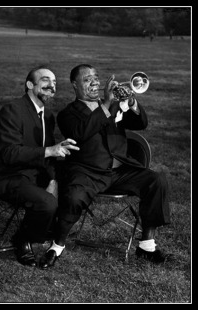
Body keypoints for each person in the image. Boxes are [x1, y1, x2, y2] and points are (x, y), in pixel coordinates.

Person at [39, 64, 172, 269]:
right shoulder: (68, 113)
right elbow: (81, 132)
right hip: (87, 171)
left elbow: (141, 123)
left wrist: (132, 102)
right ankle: (57, 246)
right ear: (75, 85)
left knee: (157, 180)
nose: (94, 82)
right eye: (87, 79)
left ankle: (147, 246)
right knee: (73, 198)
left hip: (119, 171)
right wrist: (107, 104)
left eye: (96, 77)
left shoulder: (115, 105)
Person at [0, 66, 79, 267]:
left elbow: (48, 156)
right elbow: (9, 153)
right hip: (6, 176)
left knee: (74, 185)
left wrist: (53, 181)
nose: (52, 86)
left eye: (54, 82)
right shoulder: (12, 110)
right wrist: (49, 151)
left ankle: (48, 227)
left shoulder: (48, 116)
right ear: (29, 85)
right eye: (45, 80)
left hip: (32, 174)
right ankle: (22, 239)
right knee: (47, 203)